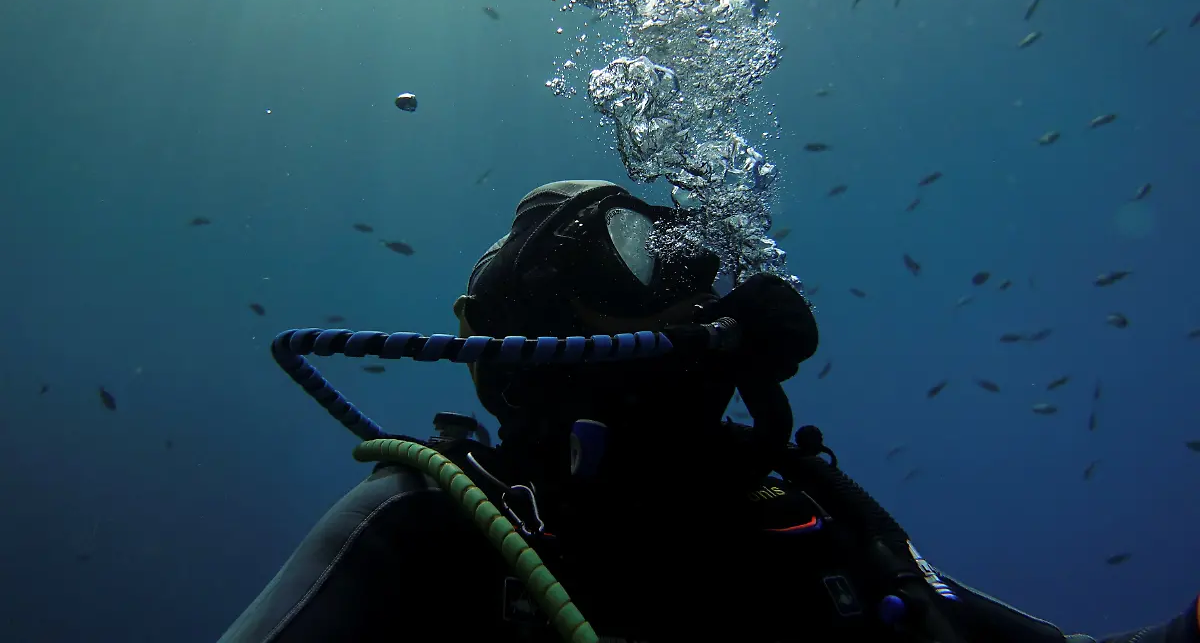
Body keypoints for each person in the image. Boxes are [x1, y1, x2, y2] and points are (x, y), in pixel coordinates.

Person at [219, 180, 1198, 643]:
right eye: (640, 254)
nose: (698, 293)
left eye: (698, 262)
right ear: (536, 320)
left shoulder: (808, 512)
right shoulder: (440, 529)